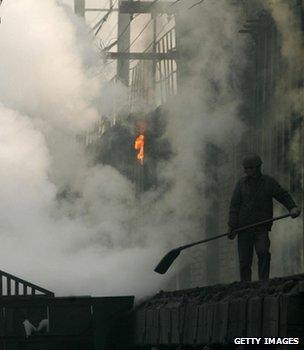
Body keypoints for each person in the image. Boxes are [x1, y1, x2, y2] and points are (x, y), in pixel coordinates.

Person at [228, 154, 300, 281]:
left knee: (263, 253)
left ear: (257, 168)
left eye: (248, 168)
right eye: (245, 168)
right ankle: (245, 286)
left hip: (261, 227)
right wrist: (232, 226)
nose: (245, 171)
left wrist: (292, 207)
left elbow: (282, 195)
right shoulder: (241, 184)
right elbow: (234, 206)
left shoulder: (268, 182)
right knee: (245, 261)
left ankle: (263, 283)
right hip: (244, 229)